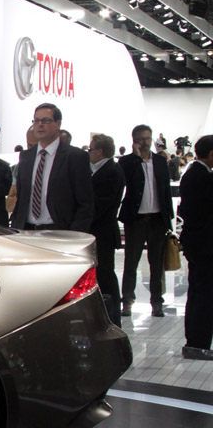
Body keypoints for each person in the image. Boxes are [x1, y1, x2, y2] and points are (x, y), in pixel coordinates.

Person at [9, 102, 93, 232]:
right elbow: (21, 199)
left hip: (60, 232)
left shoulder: (75, 157)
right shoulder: (26, 157)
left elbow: (85, 203)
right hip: (26, 231)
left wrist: (75, 233)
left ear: (58, 124)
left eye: (45, 120)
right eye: (36, 120)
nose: (40, 124)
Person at [118, 123, 173, 317]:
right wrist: (136, 158)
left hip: (157, 219)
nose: (144, 142)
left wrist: (169, 218)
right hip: (136, 219)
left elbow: (165, 189)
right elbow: (125, 180)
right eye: (140, 139)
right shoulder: (127, 162)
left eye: (147, 138)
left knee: (156, 264)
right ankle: (127, 301)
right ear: (134, 141)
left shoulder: (160, 161)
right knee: (131, 262)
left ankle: (157, 302)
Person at [179, 135, 213, 359]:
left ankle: (196, 341)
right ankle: (198, 343)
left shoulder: (194, 174)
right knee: (203, 295)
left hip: (198, 243)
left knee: (199, 293)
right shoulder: (202, 177)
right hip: (204, 245)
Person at [88, 133, 126, 326]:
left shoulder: (112, 172)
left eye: (91, 149)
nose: (89, 153)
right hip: (98, 230)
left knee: (106, 274)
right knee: (101, 274)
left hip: (103, 231)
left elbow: (102, 204)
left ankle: (113, 318)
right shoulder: (98, 170)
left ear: (100, 151)